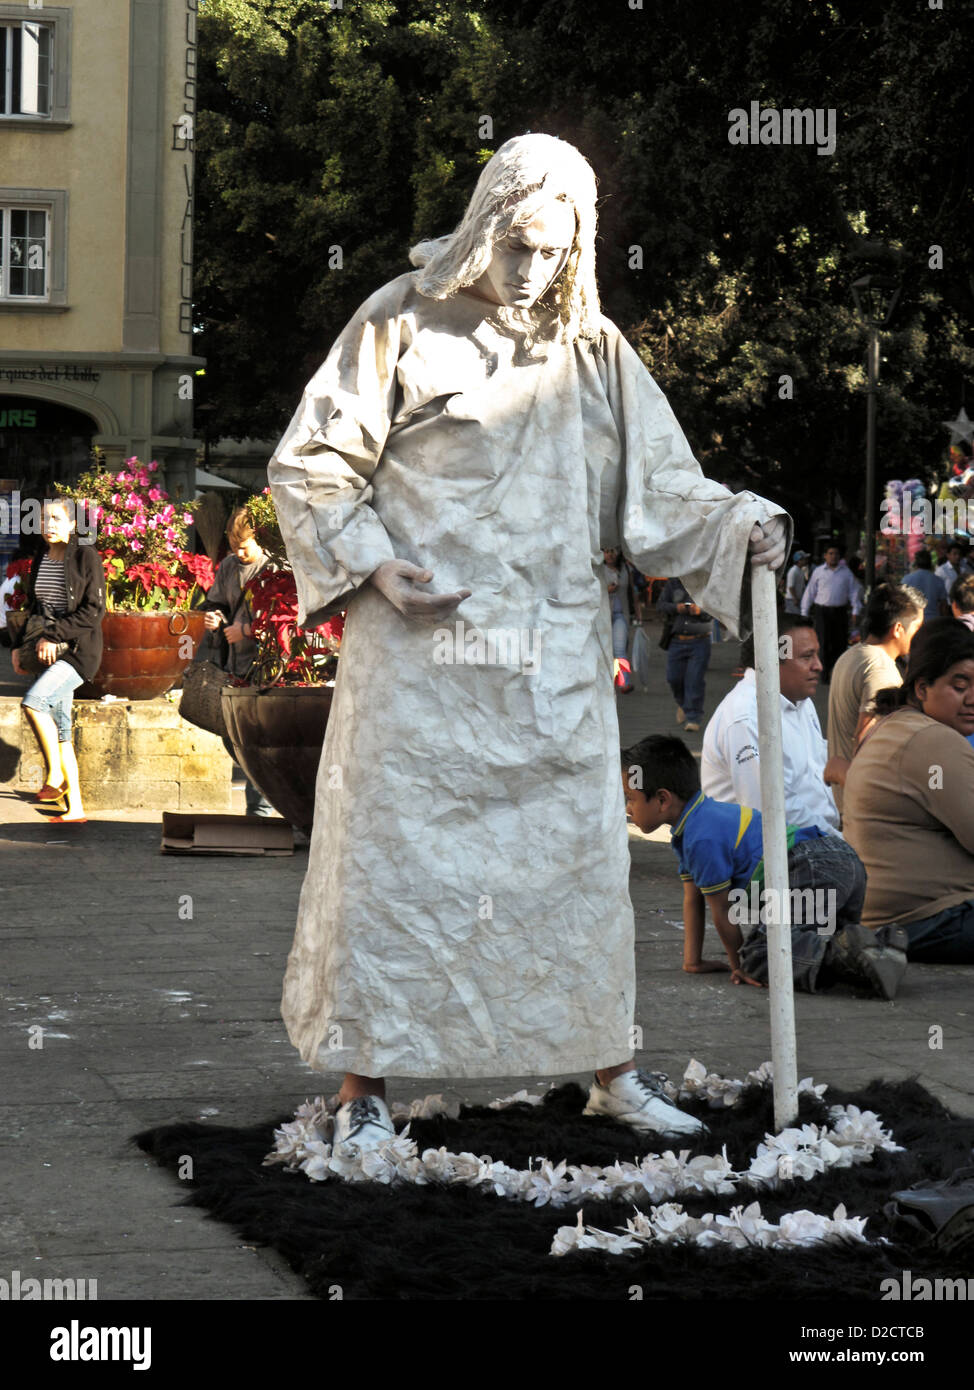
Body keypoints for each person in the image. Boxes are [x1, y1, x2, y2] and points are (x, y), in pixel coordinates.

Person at [268, 133, 789, 1152]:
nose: (530, 269)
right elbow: (314, 461)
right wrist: (371, 561)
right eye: (515, 244)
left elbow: (665, 490)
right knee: (393, 873)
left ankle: (610, 1070)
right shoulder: (400, 319)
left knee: (576, 871)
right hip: (417, 667)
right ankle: (362, 1087)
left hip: (548, 665)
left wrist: (739, 526)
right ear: (482, 222)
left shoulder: (591, 352)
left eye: (553, 250)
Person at [622, 735, 906, 998]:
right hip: (841, 861)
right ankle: (873, 948)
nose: (627, 809)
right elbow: (692, 898)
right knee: (817, 939)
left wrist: (741, 966)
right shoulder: (698, 824)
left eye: (630, 799)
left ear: (662, 799)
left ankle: (856, 949)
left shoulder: (700, 837)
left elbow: (722, 912)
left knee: (762, 952)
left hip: (809, 865)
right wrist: (692, 961)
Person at [843, 619, 974, 962]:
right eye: (959, 685)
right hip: (930, 919)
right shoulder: (933, 740)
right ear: (921, 688)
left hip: (890, 919)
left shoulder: (893, 725)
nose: (972, 698)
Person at [701, 609, 840, 835]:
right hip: (769, 855)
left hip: (815, 838)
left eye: (816, 655)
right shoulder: (745, 717)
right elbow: (777, 810)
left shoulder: (801, 701)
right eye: (807, 657)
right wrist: (843, 843)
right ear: (774, 659)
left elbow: (817, 766)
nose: (818, 666)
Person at [10, 497, 105, 823]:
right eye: (44, 519)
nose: (48, 525)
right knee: (62, 729)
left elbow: (94, 610)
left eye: (55, 519)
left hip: (78, 653)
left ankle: (56, 778)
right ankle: (74, 808)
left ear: (73, 524)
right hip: (46, 650)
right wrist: (17, 645)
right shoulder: (42, 557)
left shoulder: (85, 556)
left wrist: (56, 635)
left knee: (34, 703)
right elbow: (37, 607)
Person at [825, 583, 925, 814]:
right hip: (861, 801)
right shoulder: (880, 669)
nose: (919, 635)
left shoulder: (852, 655)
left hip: (845, 797)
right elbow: (867, 739)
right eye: (917, 627)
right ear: (898, 629)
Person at [203, 507, 274, 817]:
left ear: (258, 537)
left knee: (257, 744)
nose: (239, 552)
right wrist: (213, 616)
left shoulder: (272, 567)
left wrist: (245, 630)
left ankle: (259, 812)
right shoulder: (229, 566)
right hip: (233, 667)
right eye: (233, 546)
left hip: (266, 669)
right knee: (233, 741)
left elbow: (283, 620)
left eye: (244, 545)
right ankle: (260, 809)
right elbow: (215, 601)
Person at [657, 576, 712, 731]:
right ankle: (683, 704)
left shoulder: (706, 583)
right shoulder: (673, 584)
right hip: (677, 640)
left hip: (699, 640)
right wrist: (678, 608)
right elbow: (660, 605)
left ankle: (693, 717)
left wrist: (700, 611)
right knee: (673, 678)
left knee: (695, 680)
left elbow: (716, 611)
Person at [800, 545, 860, 682]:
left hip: (840, 612)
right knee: (823, 643)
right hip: (823, 612)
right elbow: (810, 591)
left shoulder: (846, 573)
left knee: (840, 644)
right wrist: (804, 611)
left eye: (836, 553)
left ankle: (837, 674)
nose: (833, 556)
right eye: (831, 553)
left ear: (840, 557)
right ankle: (824, 675)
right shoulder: (819, 572)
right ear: (825, 556)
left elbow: (854, 592)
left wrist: (855, 610)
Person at [603, 546, 647, 692]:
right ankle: (605, 681)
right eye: (607, 551)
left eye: (612, 551)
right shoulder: (597, 570)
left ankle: (623, 682)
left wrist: (638, 614)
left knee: (619, 649)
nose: (610, 555)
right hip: (602, 615)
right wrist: (605, 590)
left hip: (621, 613)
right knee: (603, 649)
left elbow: (633, 593)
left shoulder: (626, 570)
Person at [901, 549, 948, 623]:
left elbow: (902, 602)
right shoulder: (938, 580)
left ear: (916, 563)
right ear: (930, 563)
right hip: (933, 621)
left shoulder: (906, 579)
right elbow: (943, 606)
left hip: (913, 621)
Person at [784, 549, 810, 615]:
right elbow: (790, 586)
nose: (806, 560)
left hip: (797, 599)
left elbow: (802, 585)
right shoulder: (793, 571)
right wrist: (795, 599)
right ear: (799, 560)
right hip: (792, 599)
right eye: (804, 559)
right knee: (793, 619)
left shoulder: (801, 571)